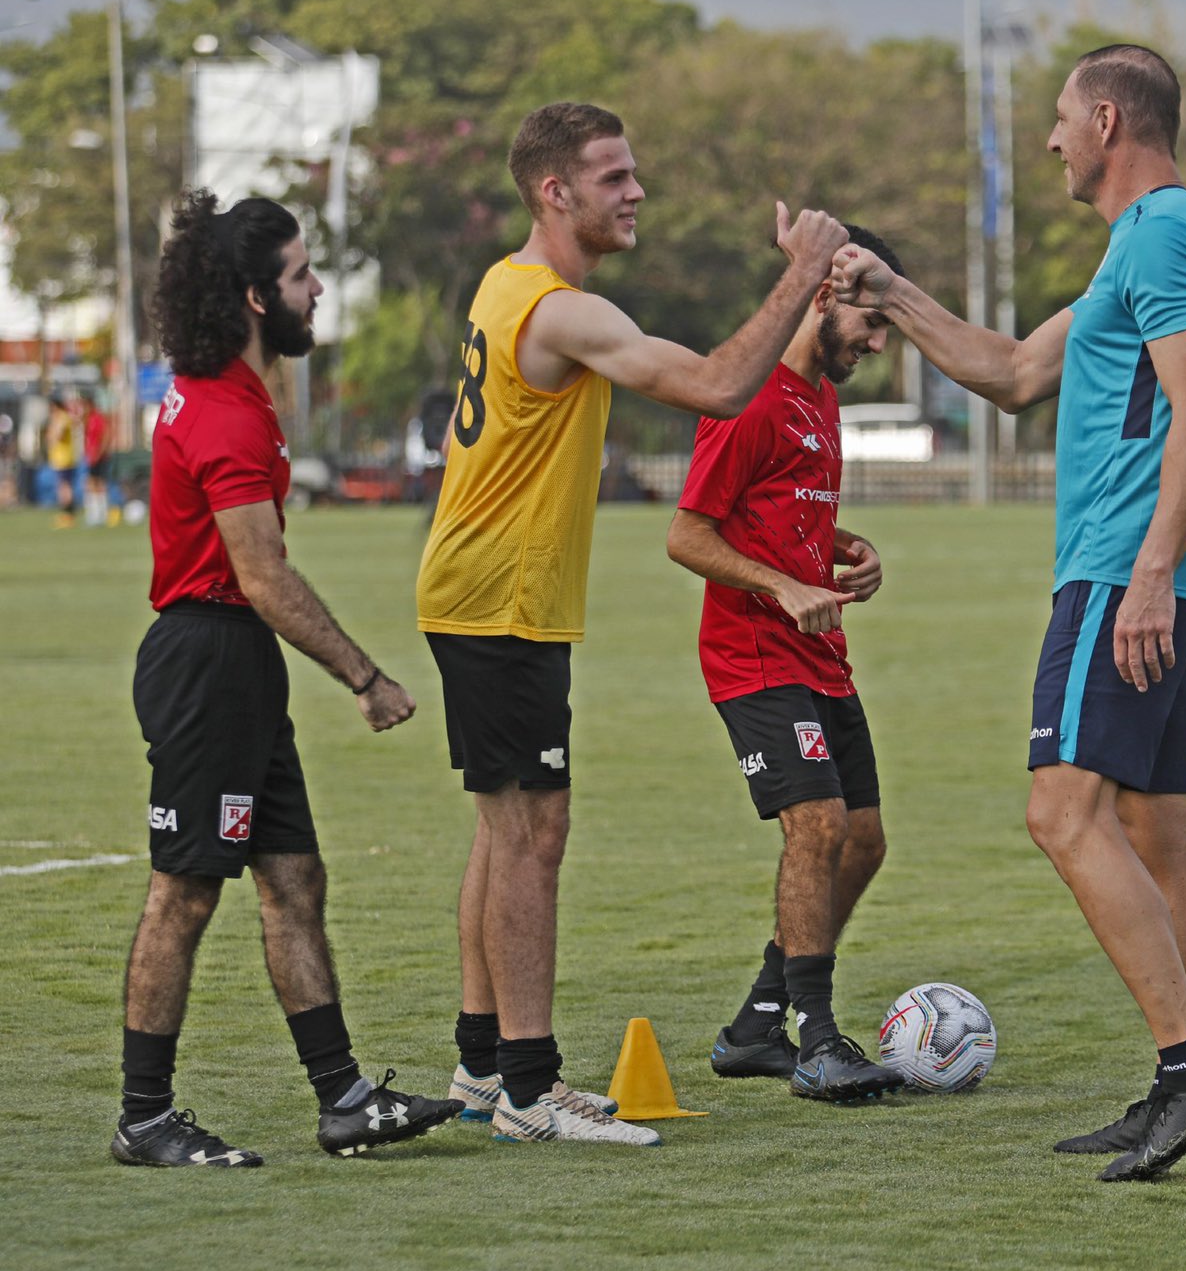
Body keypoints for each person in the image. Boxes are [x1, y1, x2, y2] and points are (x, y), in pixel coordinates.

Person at [833, 43, 1186, 1182]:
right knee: (1156, 829)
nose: (1053, 142)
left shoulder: (1166, 232)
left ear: (1108, 119)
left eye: (1062, 122)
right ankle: (1179, 1080)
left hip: (1128, 574)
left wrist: (1151, 569)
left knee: (1060, 814)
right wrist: (890, 291)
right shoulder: (1136, 246)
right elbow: (1015, 371)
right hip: (1145, 571)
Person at [416, 101, 847, 1146]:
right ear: (555, 192)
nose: (636, 190)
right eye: (613, 176)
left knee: (504, 826)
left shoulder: (508, 285)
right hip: (500, 602)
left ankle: (484, 1065)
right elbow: (712, 386)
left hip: (488, 596)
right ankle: (528, 1085)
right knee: (531, 834)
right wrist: (802, 270)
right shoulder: (556, 310)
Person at [115, 190, 463, 1169]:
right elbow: (261, 576)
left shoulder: (229, 387)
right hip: (209, 662)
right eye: (304, 275)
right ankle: (145, 1117)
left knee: (293, 879)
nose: (318, 290)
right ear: (259, 298)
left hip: (234, 664)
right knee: (183, 894)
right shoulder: (226, 412)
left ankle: (344, 1098)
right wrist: (364, 675)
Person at [668, 226, 905, 1104]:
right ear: (820, 297)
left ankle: (755, 1027)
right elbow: (687, 533)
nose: (879, 343)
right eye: (872, 321)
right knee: (818, 826)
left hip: (821, 653)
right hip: (753, 653)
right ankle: (816, 1037)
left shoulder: (821, 399)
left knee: (864, 841)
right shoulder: (754, 398)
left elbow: (781, 512)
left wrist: (847, 548)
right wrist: (777, 585)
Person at [44, 392, 79, 523]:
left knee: (65, 487)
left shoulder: (63, 418)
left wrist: (52, 434)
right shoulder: (57, 418)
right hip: (59, 458)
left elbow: (58, 436)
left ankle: (68, 514)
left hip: (64, 458)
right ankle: (66, 513)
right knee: (62, 486)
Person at [80, 394, 112, 526]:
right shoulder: (88, 418)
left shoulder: (98, 418)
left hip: (99, 457)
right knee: (91, 484)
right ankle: (94, 514)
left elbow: (105, 435)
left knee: (98, 484)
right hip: (91, 456)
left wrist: (100, 452)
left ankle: (100, 514)